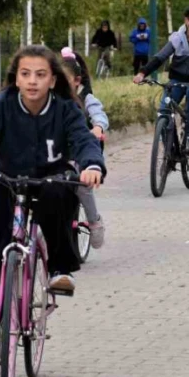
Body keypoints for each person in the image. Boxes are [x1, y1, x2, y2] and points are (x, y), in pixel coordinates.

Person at [0, 45, 105, 368]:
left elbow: (84, 140)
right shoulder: (0, 105)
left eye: (41, 75)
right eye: (25, 74)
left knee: (55, 197)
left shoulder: (65, 109)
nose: (32, 81)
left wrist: (92, 165)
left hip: (51, 180)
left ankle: (60, 268)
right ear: (15, 79)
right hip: (8, 182)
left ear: (52, 80)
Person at [133, 4, 189, 155]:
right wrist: (142, 73)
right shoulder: (177, 38)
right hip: (177, 80)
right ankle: (169, 150)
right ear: (185, 20)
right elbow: (160, 57)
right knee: (164, 112)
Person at [63, 52, 109, 250]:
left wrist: (97, 127)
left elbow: (99, 115)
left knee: (83, 184)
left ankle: (94, 221)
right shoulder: (49, 101)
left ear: (76, 81)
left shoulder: (86, 98)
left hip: (82, 151)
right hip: (57, 152)